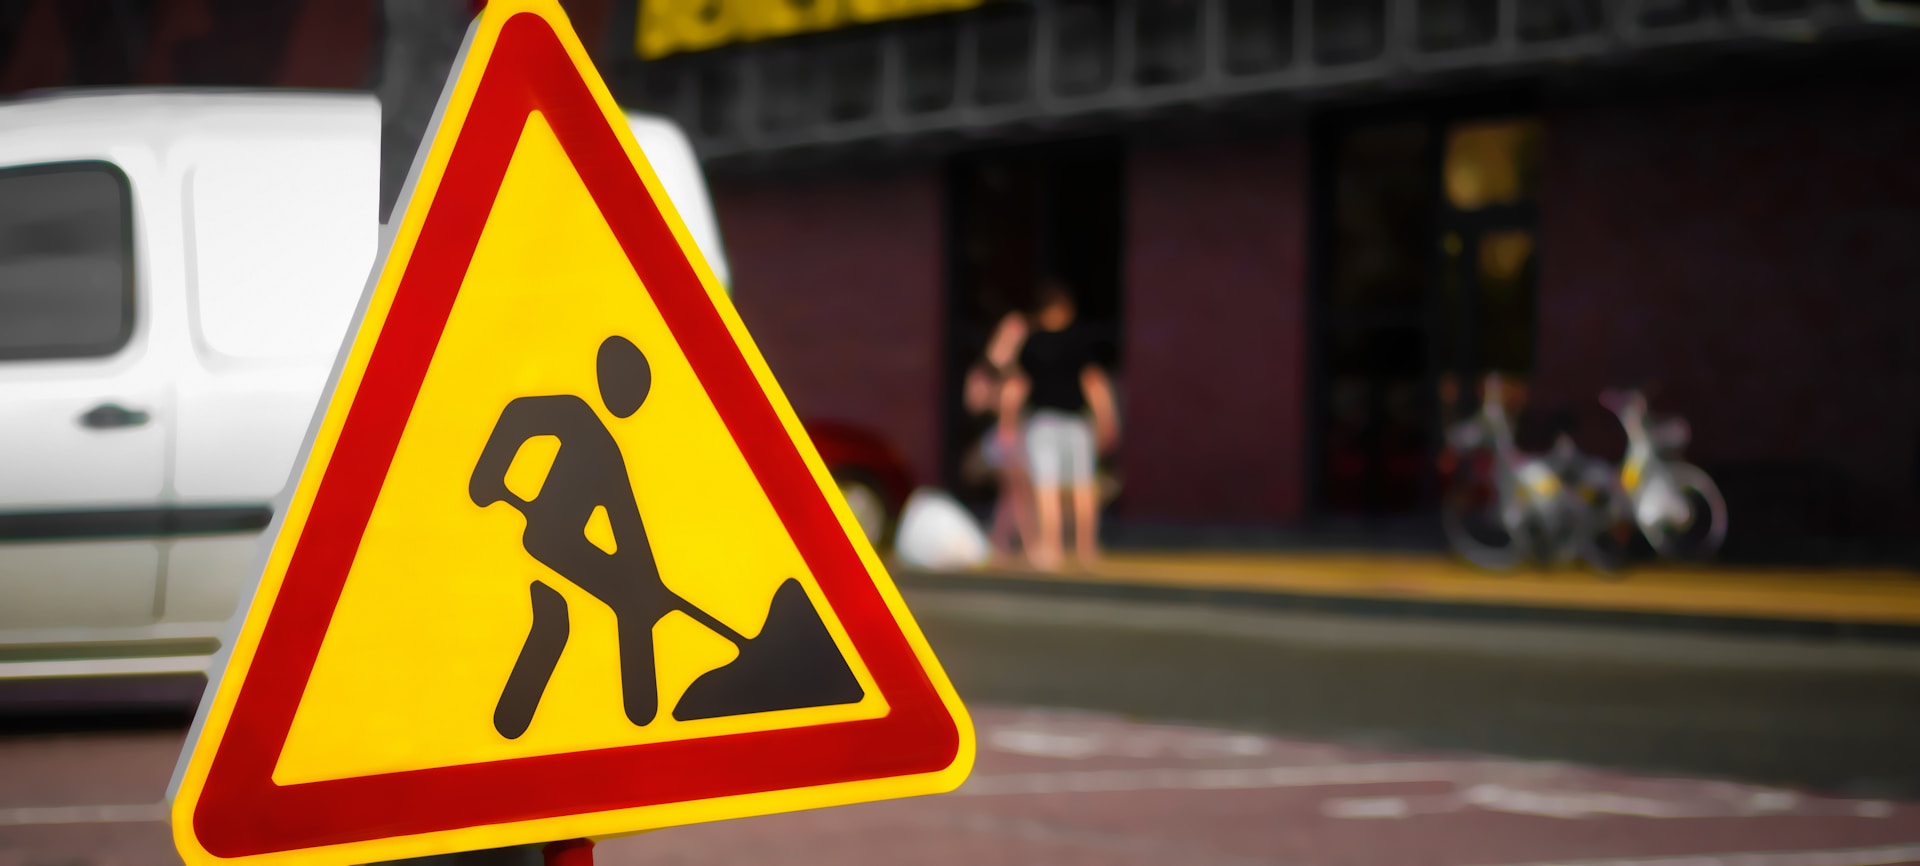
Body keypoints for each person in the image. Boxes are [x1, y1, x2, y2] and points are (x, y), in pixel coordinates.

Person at [1000, 282, 1118, 570]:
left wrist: (1008, 422)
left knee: (1046, 488)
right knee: (1082, 487)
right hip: (1075, 423)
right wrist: (1107, 419)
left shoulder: (1033, 343)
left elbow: (1016, 386)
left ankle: (1050, 549)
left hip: (1042, 423)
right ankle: (1085, 548)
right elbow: (1094, 382)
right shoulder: (1080, 340)